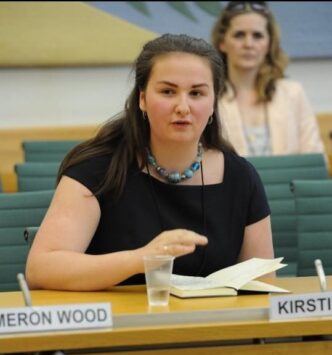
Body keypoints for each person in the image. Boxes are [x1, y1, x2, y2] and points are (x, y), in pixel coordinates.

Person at [26, 33, 274, 291]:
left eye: (197, 93)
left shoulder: (240, 177)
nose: (183, 107)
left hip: (211, 326)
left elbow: (262, 283)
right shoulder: (97, 171)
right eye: (168, 91)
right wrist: (140, 259)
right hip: (119, 326)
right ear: (142, 99)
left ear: (214, 103)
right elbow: (41, 268)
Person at [211, 1, 325, 156]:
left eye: (257, 36)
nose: (248, 44)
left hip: (289, 181)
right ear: (222, 42)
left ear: (269, 43)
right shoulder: (209, 95)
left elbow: (315, 159)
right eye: (239, 35)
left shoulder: (293, 93)